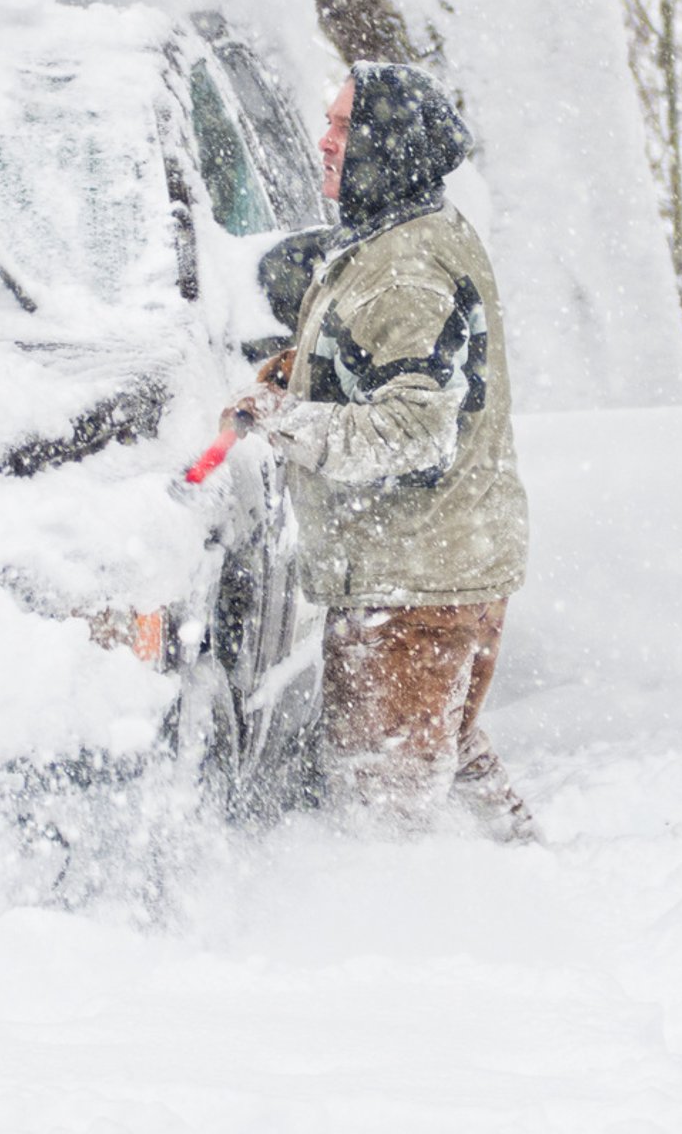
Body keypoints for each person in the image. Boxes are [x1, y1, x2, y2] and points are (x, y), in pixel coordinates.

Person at [224, 61, 537, 841]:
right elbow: (420, 370)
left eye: (341, 127)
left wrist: (285, 421)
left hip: (414, 588)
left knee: (382, 806)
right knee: (442, 749)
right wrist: (313, 373)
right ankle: (524, 866)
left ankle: (397, 938)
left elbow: (413, 430)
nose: (324, 142)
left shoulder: (405, 267)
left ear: (384, 147)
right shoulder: (405, 231)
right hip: (450, 562)